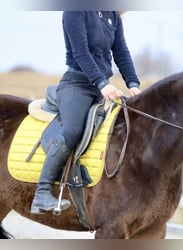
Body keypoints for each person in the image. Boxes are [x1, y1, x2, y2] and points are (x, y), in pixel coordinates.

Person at [31, 11, 141, 214]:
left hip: (102, 86)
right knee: (73, 130)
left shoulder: (112, 15)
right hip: (77, 84)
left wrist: (133, 84)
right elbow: (81, 53)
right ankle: (42, 192)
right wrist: (102, 83)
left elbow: (121, 52)